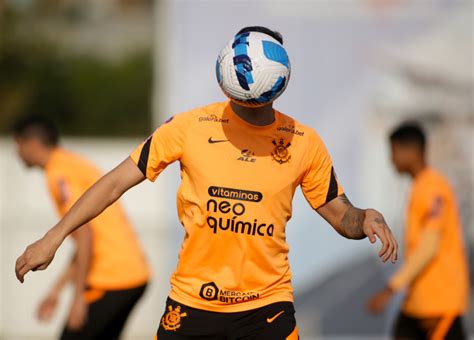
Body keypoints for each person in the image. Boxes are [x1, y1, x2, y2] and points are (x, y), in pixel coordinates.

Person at [15, 26, 397, 339]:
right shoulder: (189, 127)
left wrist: (363, 218)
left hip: (266, 307)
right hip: (192, 305)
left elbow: (338, 212)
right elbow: (114, 183)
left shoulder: (303, 141)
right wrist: (54, 236)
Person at [13, 116, 151, 340]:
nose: (16, 153)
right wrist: (57, 291)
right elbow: (83, 242)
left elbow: (86, 234)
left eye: (18, 145)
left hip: (113, 278)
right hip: (133, 275)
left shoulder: (59, 173)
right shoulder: (69, 162)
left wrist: (78, 299)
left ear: (32, 144)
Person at [367, 123, 469, 340]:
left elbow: (429, 247)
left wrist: (391, 288)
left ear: (411, 151)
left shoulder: (433, 188)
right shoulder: (420, 187)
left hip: (439, 306)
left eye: (393, 151)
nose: (391, 159)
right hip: (417, 304)